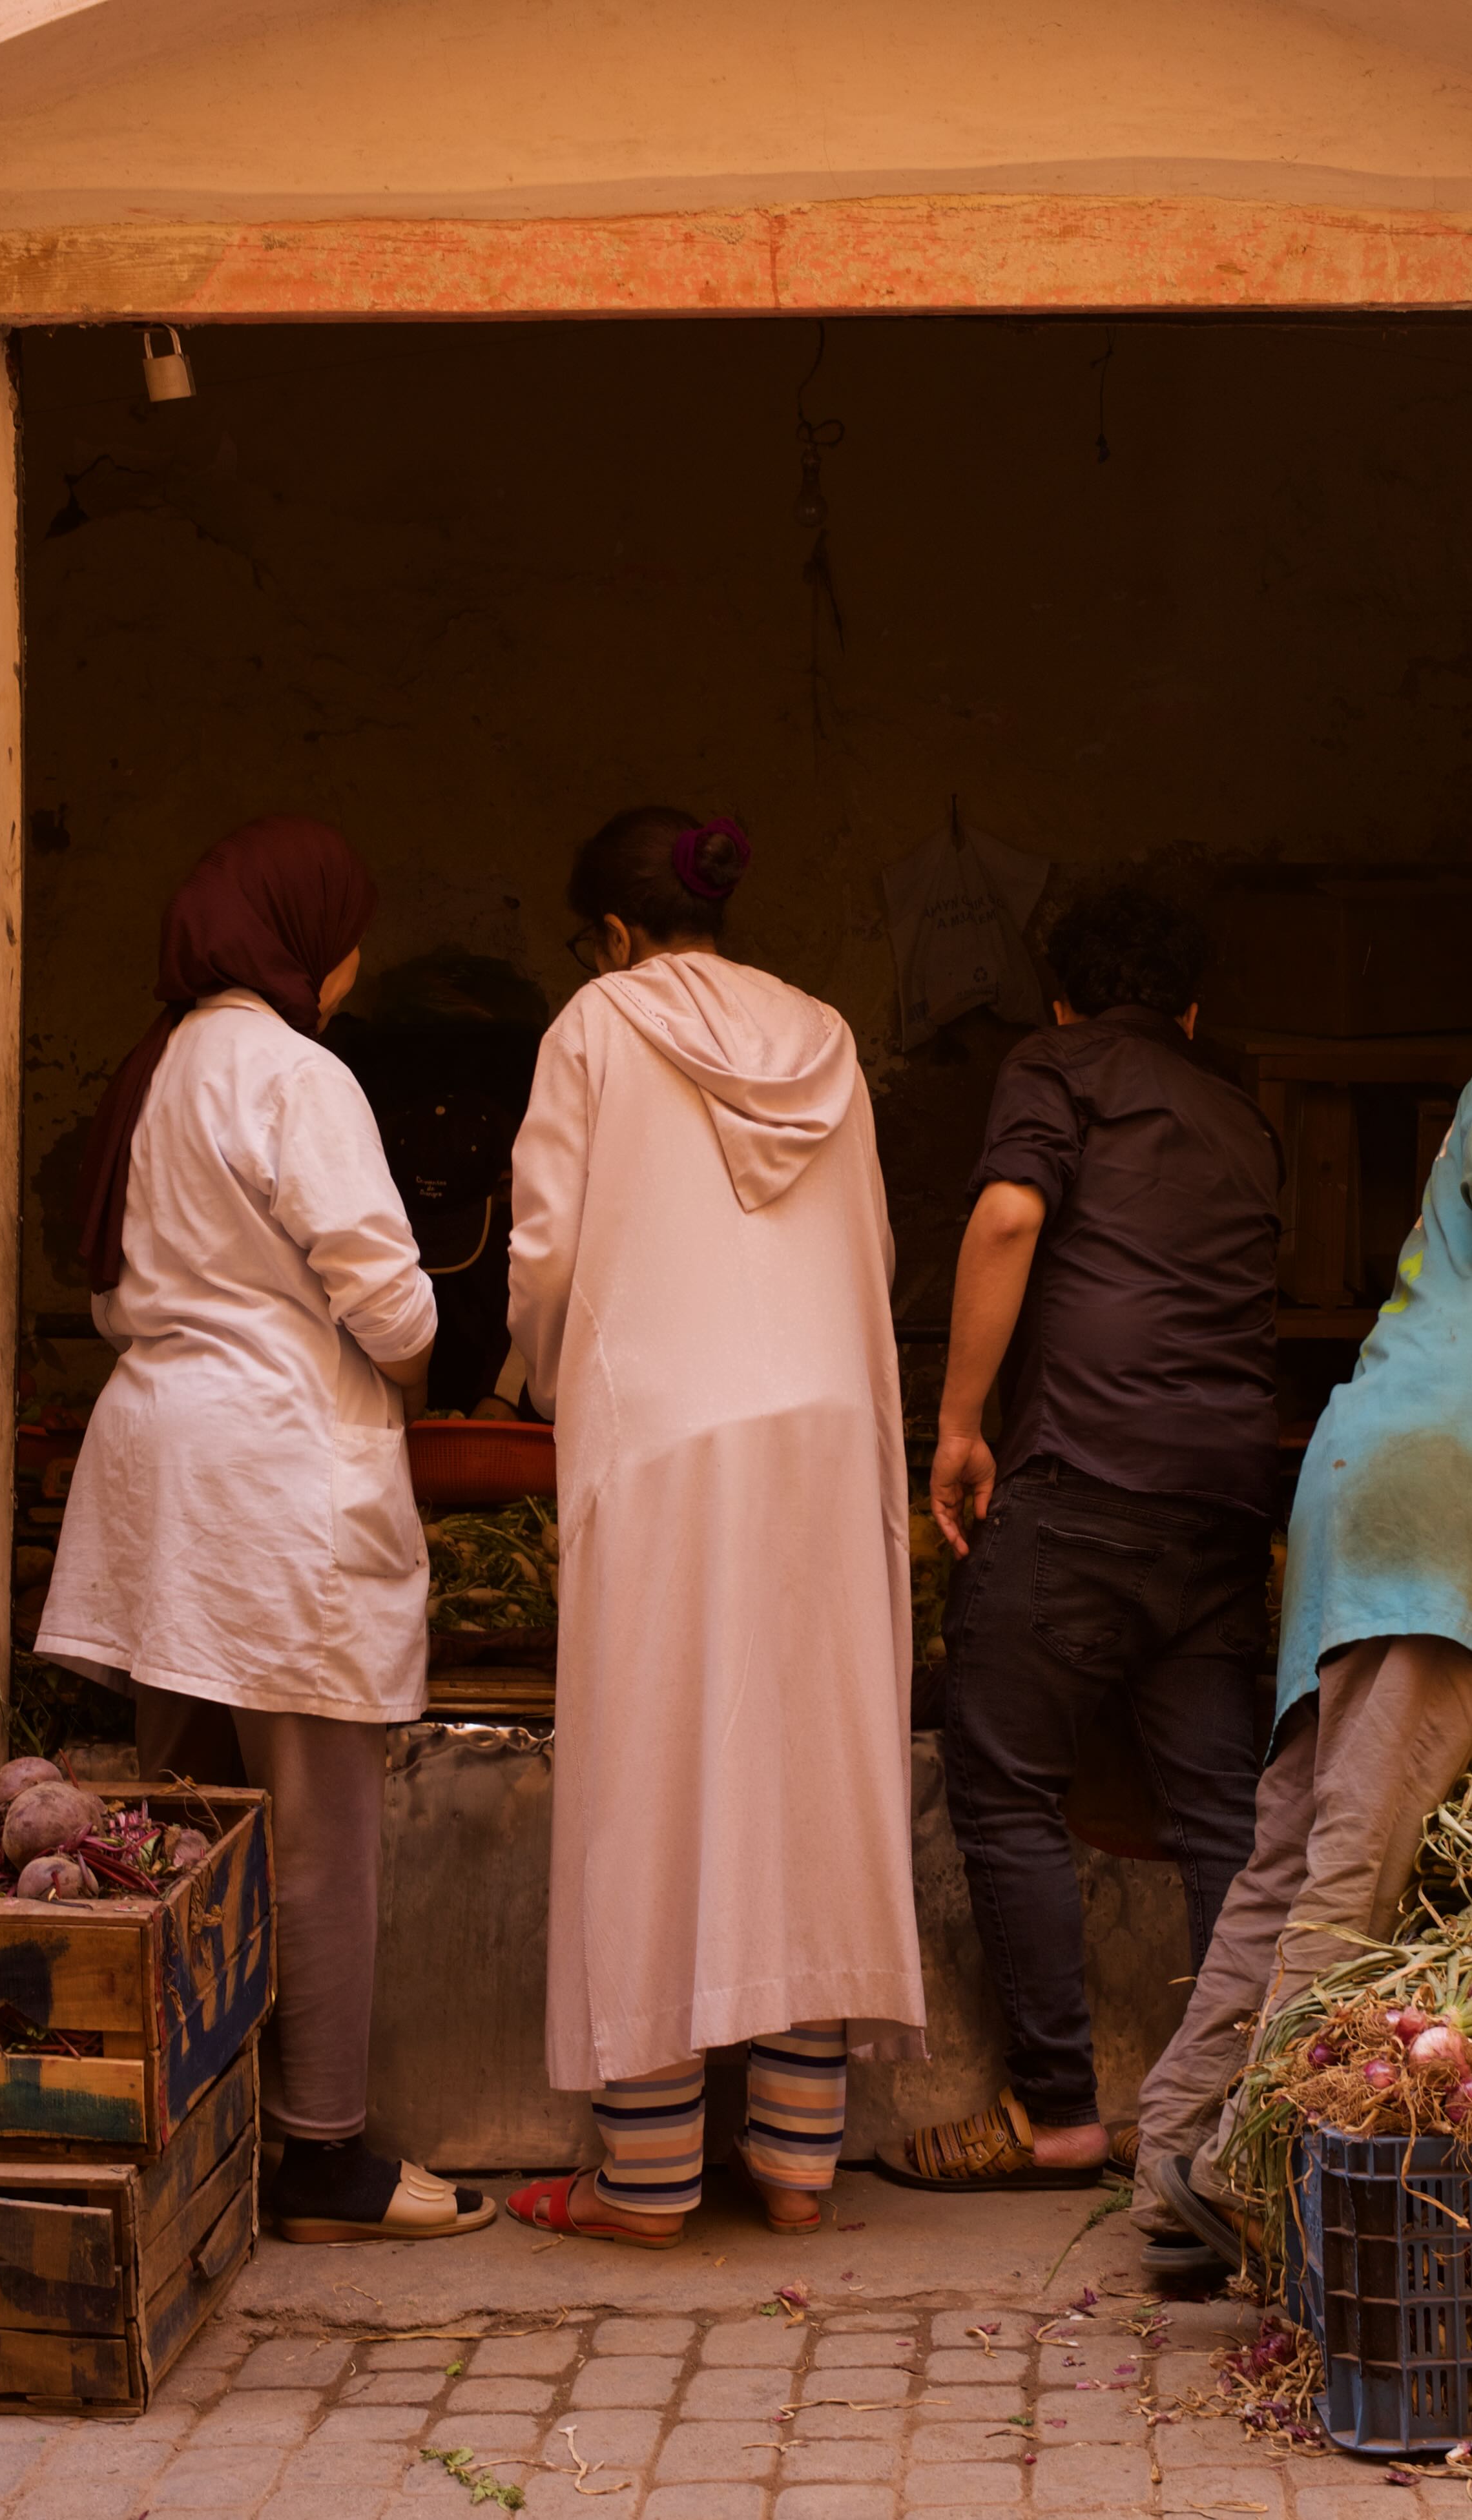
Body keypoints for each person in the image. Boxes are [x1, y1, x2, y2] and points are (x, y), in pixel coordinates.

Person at [36, 814, 494, 2246]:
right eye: (344, 931)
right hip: (271, 1479)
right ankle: (324, 2155)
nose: (354, 961)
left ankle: (189, 2122)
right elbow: (395, 1304)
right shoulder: (296, 1073)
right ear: (299, 943)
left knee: (184, 1821)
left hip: (160, 1468)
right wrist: (423, 1355)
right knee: (318, 1835)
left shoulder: (159, 1066)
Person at [1139, 1028, 1472, 2274]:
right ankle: (1248, 2161)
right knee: (1354, 1853)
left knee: (1290, 1846)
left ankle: (1168, 2149)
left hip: (1371, 1493)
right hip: (1439, 1499)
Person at [497, 807, 928, 2248]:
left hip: (665, 1446)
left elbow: (546, 1247)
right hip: (818, 1436)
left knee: (652, 1779)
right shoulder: (823, 1032)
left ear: (613, 931)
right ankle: (800, 2163)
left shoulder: (595, 1023)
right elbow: (869, 1247)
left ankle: (648, 2176)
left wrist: (533, 1377)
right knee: (807, 1779)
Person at [875, 887, 1284, 2192]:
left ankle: (1055, 2111)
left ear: (1059, 997)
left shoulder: (1053, 1064)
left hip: (1080, 1481)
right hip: (1221, 1499)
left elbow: (1005, 1217)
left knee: (1003, 1779)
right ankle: (1238, 2113)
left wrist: (952, 1424)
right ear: (1192, 1006)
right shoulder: (1243, 1112)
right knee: (1222, 1809)